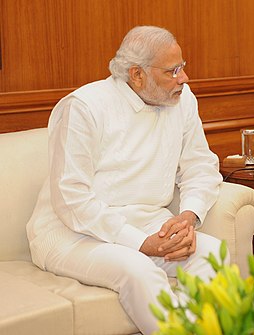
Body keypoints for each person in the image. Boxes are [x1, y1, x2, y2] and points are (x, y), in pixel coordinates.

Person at [26, 26, 224, 334]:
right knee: (139, 270)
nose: (184, 78)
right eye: (172, 71)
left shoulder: (182, 99)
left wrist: (188, 217)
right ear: (137, 74)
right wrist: (140, 243)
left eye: (183, 67)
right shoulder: (85, 106)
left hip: (149, 223)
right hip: (72, 233)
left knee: (213, 256)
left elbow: (199, 164)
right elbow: (71, 198)